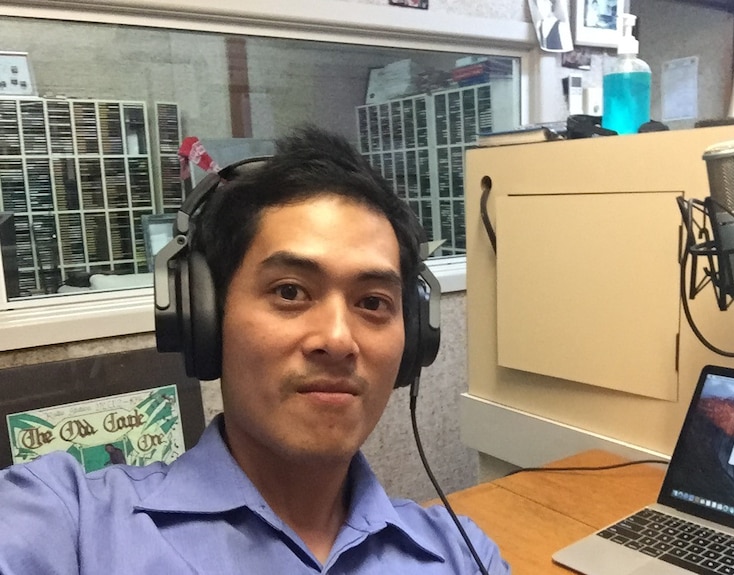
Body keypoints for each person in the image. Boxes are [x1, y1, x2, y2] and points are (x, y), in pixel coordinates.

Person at [0, 126, 510, 574]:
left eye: (373, 302)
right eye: (290, 292)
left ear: (415, 335)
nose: (337, 339)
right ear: (206, 317)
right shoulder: (70, 524)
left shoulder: (461, 554)